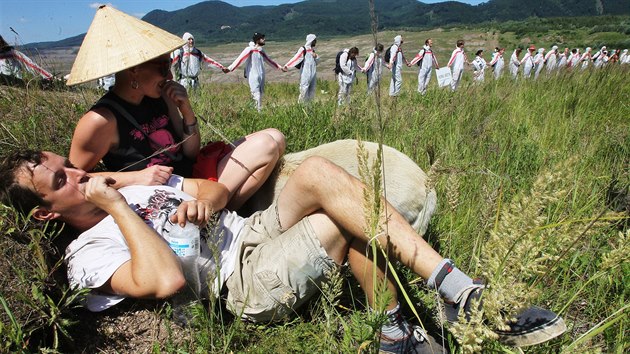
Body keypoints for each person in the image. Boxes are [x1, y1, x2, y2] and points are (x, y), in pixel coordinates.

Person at [0, 149, 568, 351]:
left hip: (241, 231)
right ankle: (396, 328)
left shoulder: (129, 185)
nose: (78, 175)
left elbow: (215, 193)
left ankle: (459, 290)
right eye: (61, 182)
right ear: (46, 212)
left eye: (66, 165)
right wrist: (120, 206)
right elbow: (166, 283)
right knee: (335, 224)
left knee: (321, 173)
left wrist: (192, 203)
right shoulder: (86, 255)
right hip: (234, 281)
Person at [66, 6, 285, 211]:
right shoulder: (101, 120)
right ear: (134, 69)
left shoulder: (160, 96)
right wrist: (135, 178)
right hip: (165, 195)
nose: (170, 76)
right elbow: (72, 180)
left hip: (192, 179)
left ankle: (217, 210)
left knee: (275, 137)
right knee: (266, 144)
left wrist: (186, 110)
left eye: (169, 66)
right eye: (162, 68)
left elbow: (189, 152)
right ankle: (216, 212)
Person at [226, 32, 287, 112]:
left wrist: (280, 67)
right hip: (252, 75)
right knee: (256, 95)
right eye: (262, 38)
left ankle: (256, 111)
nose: (264, 39)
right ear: (258, 40)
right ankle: (257, 113)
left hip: (261, 75)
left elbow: (269, 61)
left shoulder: (261, 50)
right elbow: (240, 59)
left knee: (260, 94)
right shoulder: (249, 50)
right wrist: (229, 68)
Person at [283, 34, 318, 103]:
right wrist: (287, 66)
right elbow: (296, 58)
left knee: (312, 91)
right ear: (311, 40)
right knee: (304, 90)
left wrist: (316, 56)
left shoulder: (313, 51)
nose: (316, 42)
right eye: (314, 40)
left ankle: (309, 108)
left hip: (313, 74)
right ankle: (300, 107)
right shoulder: (303, 49)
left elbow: (316, 62)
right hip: (305, 73)